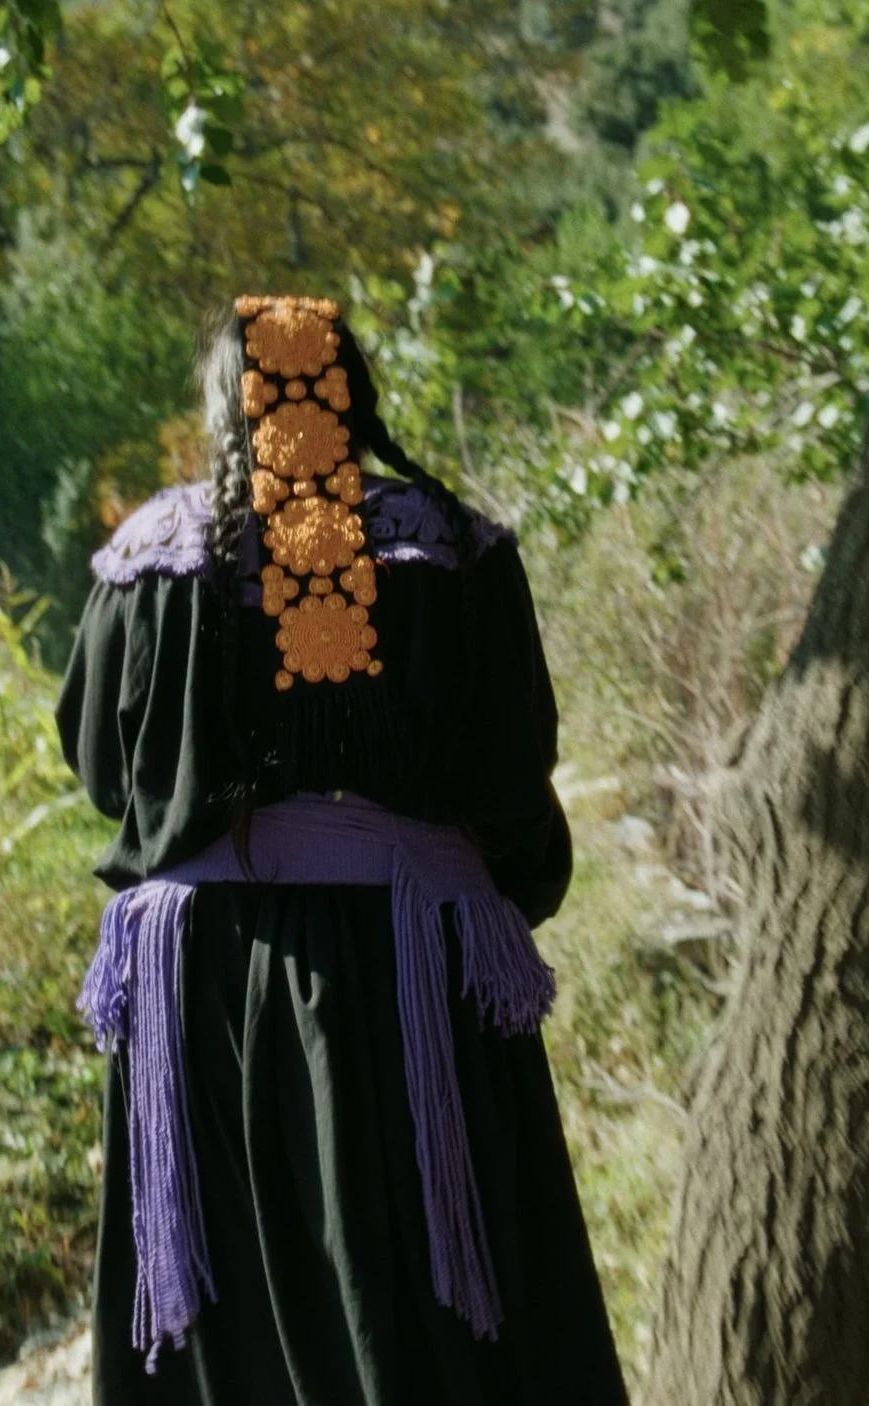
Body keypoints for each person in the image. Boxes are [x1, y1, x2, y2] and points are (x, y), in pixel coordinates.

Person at [57, 295, 627, 1405]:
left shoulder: (151, 562)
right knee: (433, 1310)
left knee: (239, 1338)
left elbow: (103, 768)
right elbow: (513, 782)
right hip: (408, 980)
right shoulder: (450, 550)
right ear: (352, 396)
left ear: (227, 406)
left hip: (208, 993)